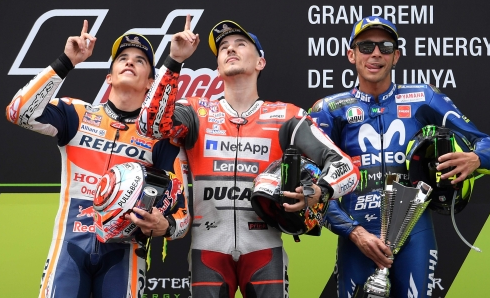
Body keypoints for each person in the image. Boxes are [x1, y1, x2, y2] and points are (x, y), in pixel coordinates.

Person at [135, 19, 360, 298]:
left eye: (240, 44)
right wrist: (175, 60)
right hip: (208, 250)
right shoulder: (194, 112)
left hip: (265, 252)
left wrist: (319, 191)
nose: (230, 50)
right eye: (223, 48)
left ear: (260, 63)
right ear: (217, 67)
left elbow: (347, 168)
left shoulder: (287, 116)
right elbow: (149, 125)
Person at [308, 16, 490, 297]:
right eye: (366, 46)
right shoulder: (330, 108)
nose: (375, 53)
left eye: (385, 47)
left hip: (415, 233)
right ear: (351, 54)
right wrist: (354, 232)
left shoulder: (423, 96)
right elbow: (311, 183)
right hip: (358, 234)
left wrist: (476, 158)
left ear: (396, 55)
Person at [5, 19, 191, 298]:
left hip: (126, 253)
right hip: (69, 248)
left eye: (140, 61)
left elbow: (183, 215)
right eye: (122, 58)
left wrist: (165, 226)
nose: (130, 63)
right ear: (109, 76)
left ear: (152, 82)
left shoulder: (160, 138)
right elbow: (17, 112)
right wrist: (67, 61)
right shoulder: (77, 114)